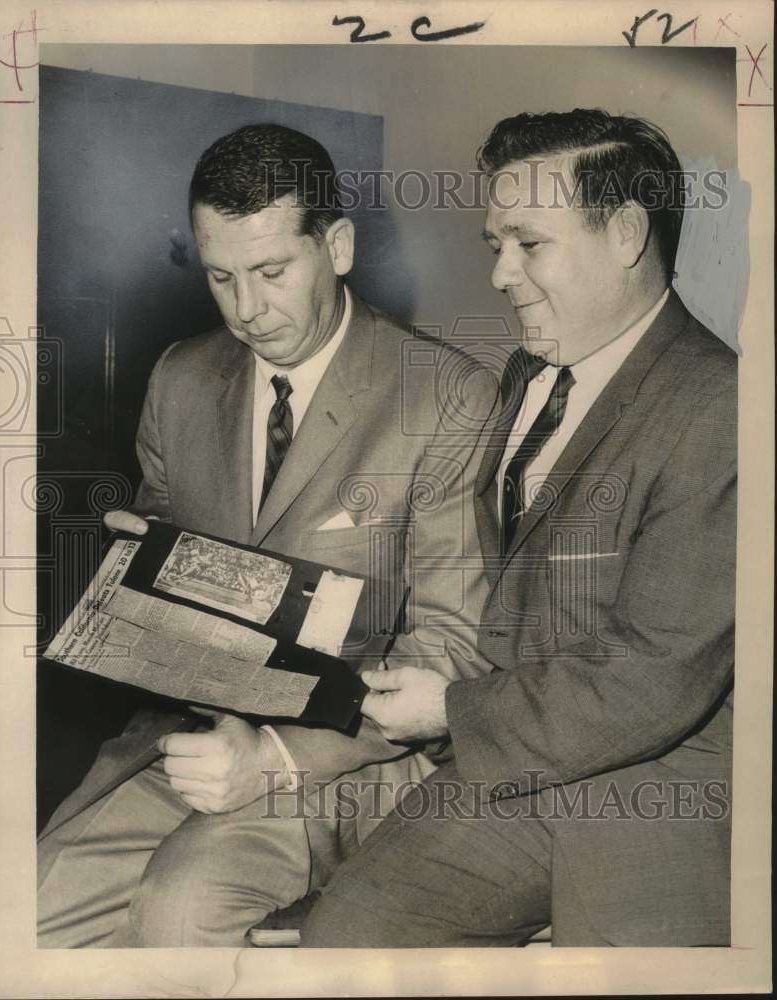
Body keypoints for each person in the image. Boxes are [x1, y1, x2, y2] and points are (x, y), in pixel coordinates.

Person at [37, 123, 499, 947]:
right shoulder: (181, 377)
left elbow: (454, 649)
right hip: (188, 746)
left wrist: (277, 761)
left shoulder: (445, 397)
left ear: (340, 246)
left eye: (272, 273)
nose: (247, 311)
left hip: (349, 765)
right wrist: (132, 568)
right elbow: (167, 565)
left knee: (177, 914)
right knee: (28, 909)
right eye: (221, 278)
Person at [301, 109, 736, 948]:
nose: (501, 274)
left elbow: (653, 678)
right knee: (343, 945)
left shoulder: (722, 406)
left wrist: (451, 709)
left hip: (650, 791)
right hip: (512, 767)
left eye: (528, 244)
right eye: (493, 244)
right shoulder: (527, 373)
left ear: (626, 233)